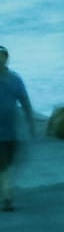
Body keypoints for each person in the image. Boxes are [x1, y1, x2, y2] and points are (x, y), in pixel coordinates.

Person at [0, 47, 34, 211]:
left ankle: (6, 195)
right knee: (4, 166)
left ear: (6, 59)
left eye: (2, 57)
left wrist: (30, 121)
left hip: (10, 131)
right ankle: (7, 198)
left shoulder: (14, 80)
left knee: (8, 164)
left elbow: (25, 101)